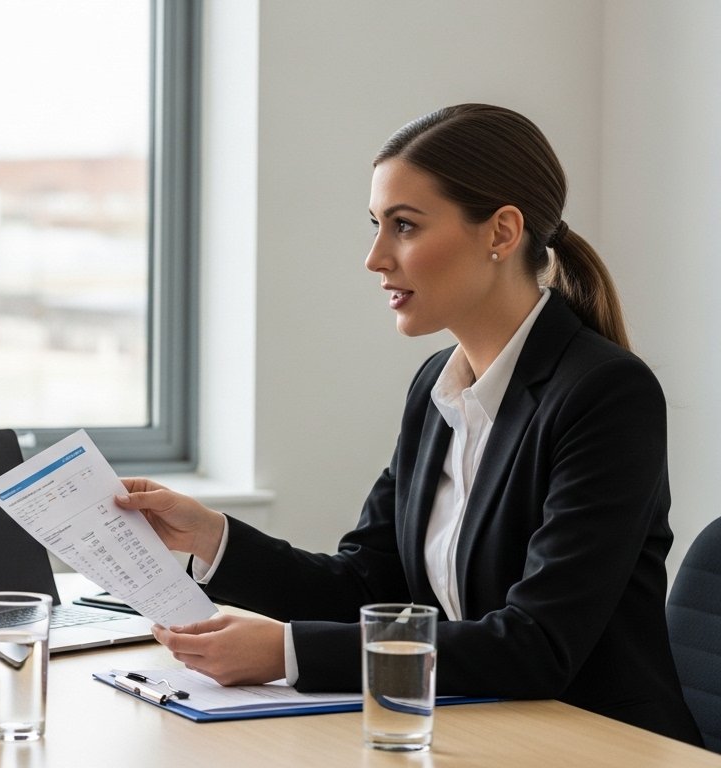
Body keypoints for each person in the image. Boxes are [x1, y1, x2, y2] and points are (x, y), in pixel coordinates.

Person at [116, 103, 703, 745]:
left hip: (597, 744)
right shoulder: (436, 386)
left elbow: (537, 644)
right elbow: (368, 582)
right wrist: (211, 536)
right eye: (376, 225)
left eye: (404, 226)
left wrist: (289, 653)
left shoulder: (605, 393)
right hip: (478, 730)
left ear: (501, 232)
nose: (375, 257)